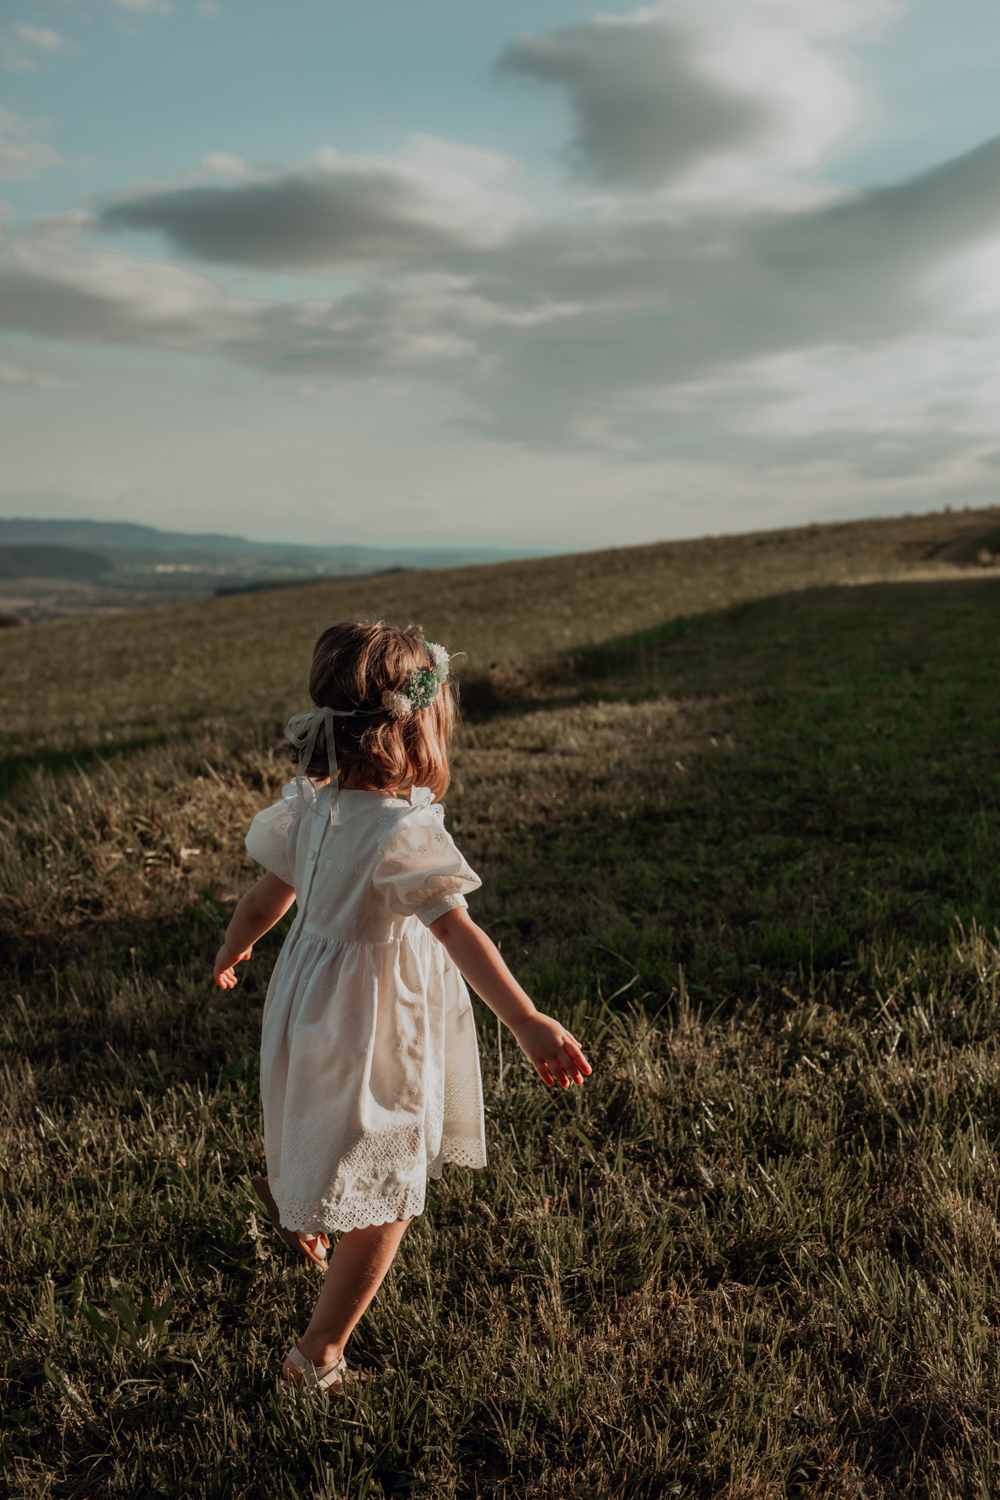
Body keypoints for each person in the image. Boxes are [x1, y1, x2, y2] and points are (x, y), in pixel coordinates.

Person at [214, 618, 591, 1395]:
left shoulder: (310, 807)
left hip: (305, 1002)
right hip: (374, 1022)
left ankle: (303, 1199)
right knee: (391, 1188)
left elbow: (264, 895)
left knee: (330, 1119)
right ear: (419, 725)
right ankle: (316, 1354)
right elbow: (458, 932)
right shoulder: (401, 829)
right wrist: (525, 1021)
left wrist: (235, 946)